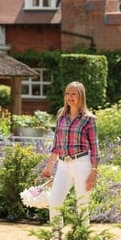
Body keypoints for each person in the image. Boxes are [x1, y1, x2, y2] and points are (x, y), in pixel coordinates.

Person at [41, 81, 100, 228]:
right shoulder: (61, 115)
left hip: (82, 164)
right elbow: (56, 145)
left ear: (81, 96)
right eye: (67, 93)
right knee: (54, 203)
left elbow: (95, 148)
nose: (70, 97)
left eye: (74, 93)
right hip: (63, 165)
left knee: (82, 205)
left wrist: (94, 172)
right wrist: (49, 167)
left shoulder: (89, 119)